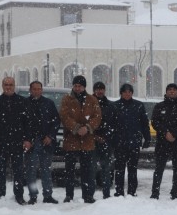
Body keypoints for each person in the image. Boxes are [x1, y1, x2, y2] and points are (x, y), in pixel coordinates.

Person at [0, 77, 32, 205]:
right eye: (6, 84)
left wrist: (27, 139)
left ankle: (19, 195)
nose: (8, 87)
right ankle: (0, 195)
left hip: (18, 142)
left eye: (11, 85)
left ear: (14, 86)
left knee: (18, 171)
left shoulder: (22, 102)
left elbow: (28, 123)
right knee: (0, 171)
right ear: (2, 86)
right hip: (0, 142)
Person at [59, 75, 102, 203]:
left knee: (87, 171)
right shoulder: (67, 99)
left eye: (80, 86)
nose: (77, 88)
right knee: (69, 171)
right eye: (75, 86)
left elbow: (97, 117)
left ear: (84, 87)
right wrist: (76, 128)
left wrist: (87, 128)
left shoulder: (92, 100)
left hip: (87, 142)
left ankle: (88, 195)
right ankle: (69, 195)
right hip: (71, 140)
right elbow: (64, 116)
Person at [150, 83, 177, 200]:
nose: (172, 91)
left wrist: (174, 134)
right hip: (162, 142)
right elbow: (155, 122)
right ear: (166, 92)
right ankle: (155, 193)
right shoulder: (159, 106)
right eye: (169, 90)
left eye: (174, 90)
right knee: (159, 168)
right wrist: (165, 132)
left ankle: (174, 193)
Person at [26, 80, 61, 204]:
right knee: (31, 171)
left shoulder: (49, 103)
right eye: (34, 89)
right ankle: (33, 196)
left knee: (46, 170)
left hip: (46, 143)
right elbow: (22, 124)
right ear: (30, 90)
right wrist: (27, 139)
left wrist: (50, 136)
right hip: (31, 143)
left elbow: (56, 121)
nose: (36, 91)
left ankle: (48, 195)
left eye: (39, 89)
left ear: (42, 90)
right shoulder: (25, 104)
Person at [113, 83, 150, 197]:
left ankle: (132, 191)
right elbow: (111, 125)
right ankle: (119, 191)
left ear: (132, 93)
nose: (127, 94)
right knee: (119, 169)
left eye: (129, 92)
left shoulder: (138, 105)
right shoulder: (115, 106)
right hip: (119, 143)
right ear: (121, 93)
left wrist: (147, 138)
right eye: (125, 92)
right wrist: (112, 139)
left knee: (132, 169)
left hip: (134, 142)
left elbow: (144, 124)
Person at [92, 81, 119, 199]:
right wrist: (94, 136)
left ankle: (106, 194)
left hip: (106, 142)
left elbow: (115, 124)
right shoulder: (88, 104)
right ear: (94, 90)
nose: (100, 91)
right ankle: (89, 194)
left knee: (106, 169)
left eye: (102, 89)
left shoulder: (110, 106)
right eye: (97, 89)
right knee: (91, 169)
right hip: (91, 141)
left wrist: (106, 136)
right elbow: (85, 122)